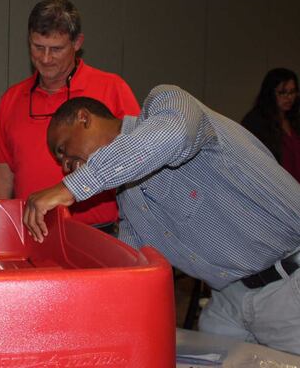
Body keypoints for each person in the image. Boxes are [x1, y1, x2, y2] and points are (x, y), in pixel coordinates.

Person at [23, 86, 300, 355]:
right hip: (229, 298)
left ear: (84, 118)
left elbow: (174, 136)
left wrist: (71, 187)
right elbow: (131, 268)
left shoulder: (165, 103)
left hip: (290, 284)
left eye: (62, 149)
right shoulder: (129, 200)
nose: (64, 165)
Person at [0, 0, 140, 233]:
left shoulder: (112, 88)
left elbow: (139, 156)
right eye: (38, 47)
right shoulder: (12, 99)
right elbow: (2, 171)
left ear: (77, 43)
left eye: (56, 49)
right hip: (32, 231)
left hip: (98, 231)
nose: (45, 59)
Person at [242, 68, 300, 182]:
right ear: (270, 93)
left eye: (292, 92)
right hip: (275, 188)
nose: (289, 97)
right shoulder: (256, 122)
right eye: (282, 92)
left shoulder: (295, 120)